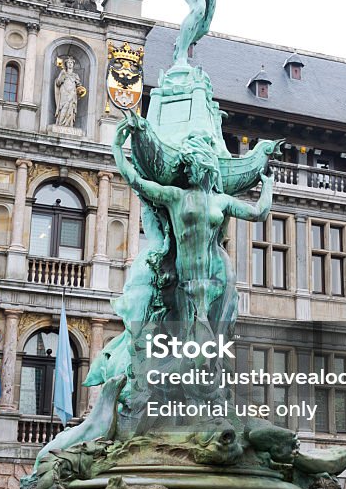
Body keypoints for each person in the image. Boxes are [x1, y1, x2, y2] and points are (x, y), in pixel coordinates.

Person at [113, 114, 272, 331]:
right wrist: (116, 148)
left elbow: (258, 213)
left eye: (192, 166)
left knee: (209, 341)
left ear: (205, 168)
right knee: (189, 339)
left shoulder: (221, 200)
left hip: (215, 273)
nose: (188, 171)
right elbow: (136, 182)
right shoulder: (176, 196)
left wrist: (268, 186)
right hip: (184, 275)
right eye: (187, 166)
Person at [54, 56, 84, 127]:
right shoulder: (63, 72)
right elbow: (58, 83)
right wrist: (63, 76)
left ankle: (69, 124)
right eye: (68, 63)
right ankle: (61, 123)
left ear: (73, 64)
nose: (70, 64)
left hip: (72, 94)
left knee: (70, 108)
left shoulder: (75, 75)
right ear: (66, 64)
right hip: (64, 93)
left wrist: (81, 90)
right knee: (63, 107)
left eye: (71, 63)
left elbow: (79, 86)